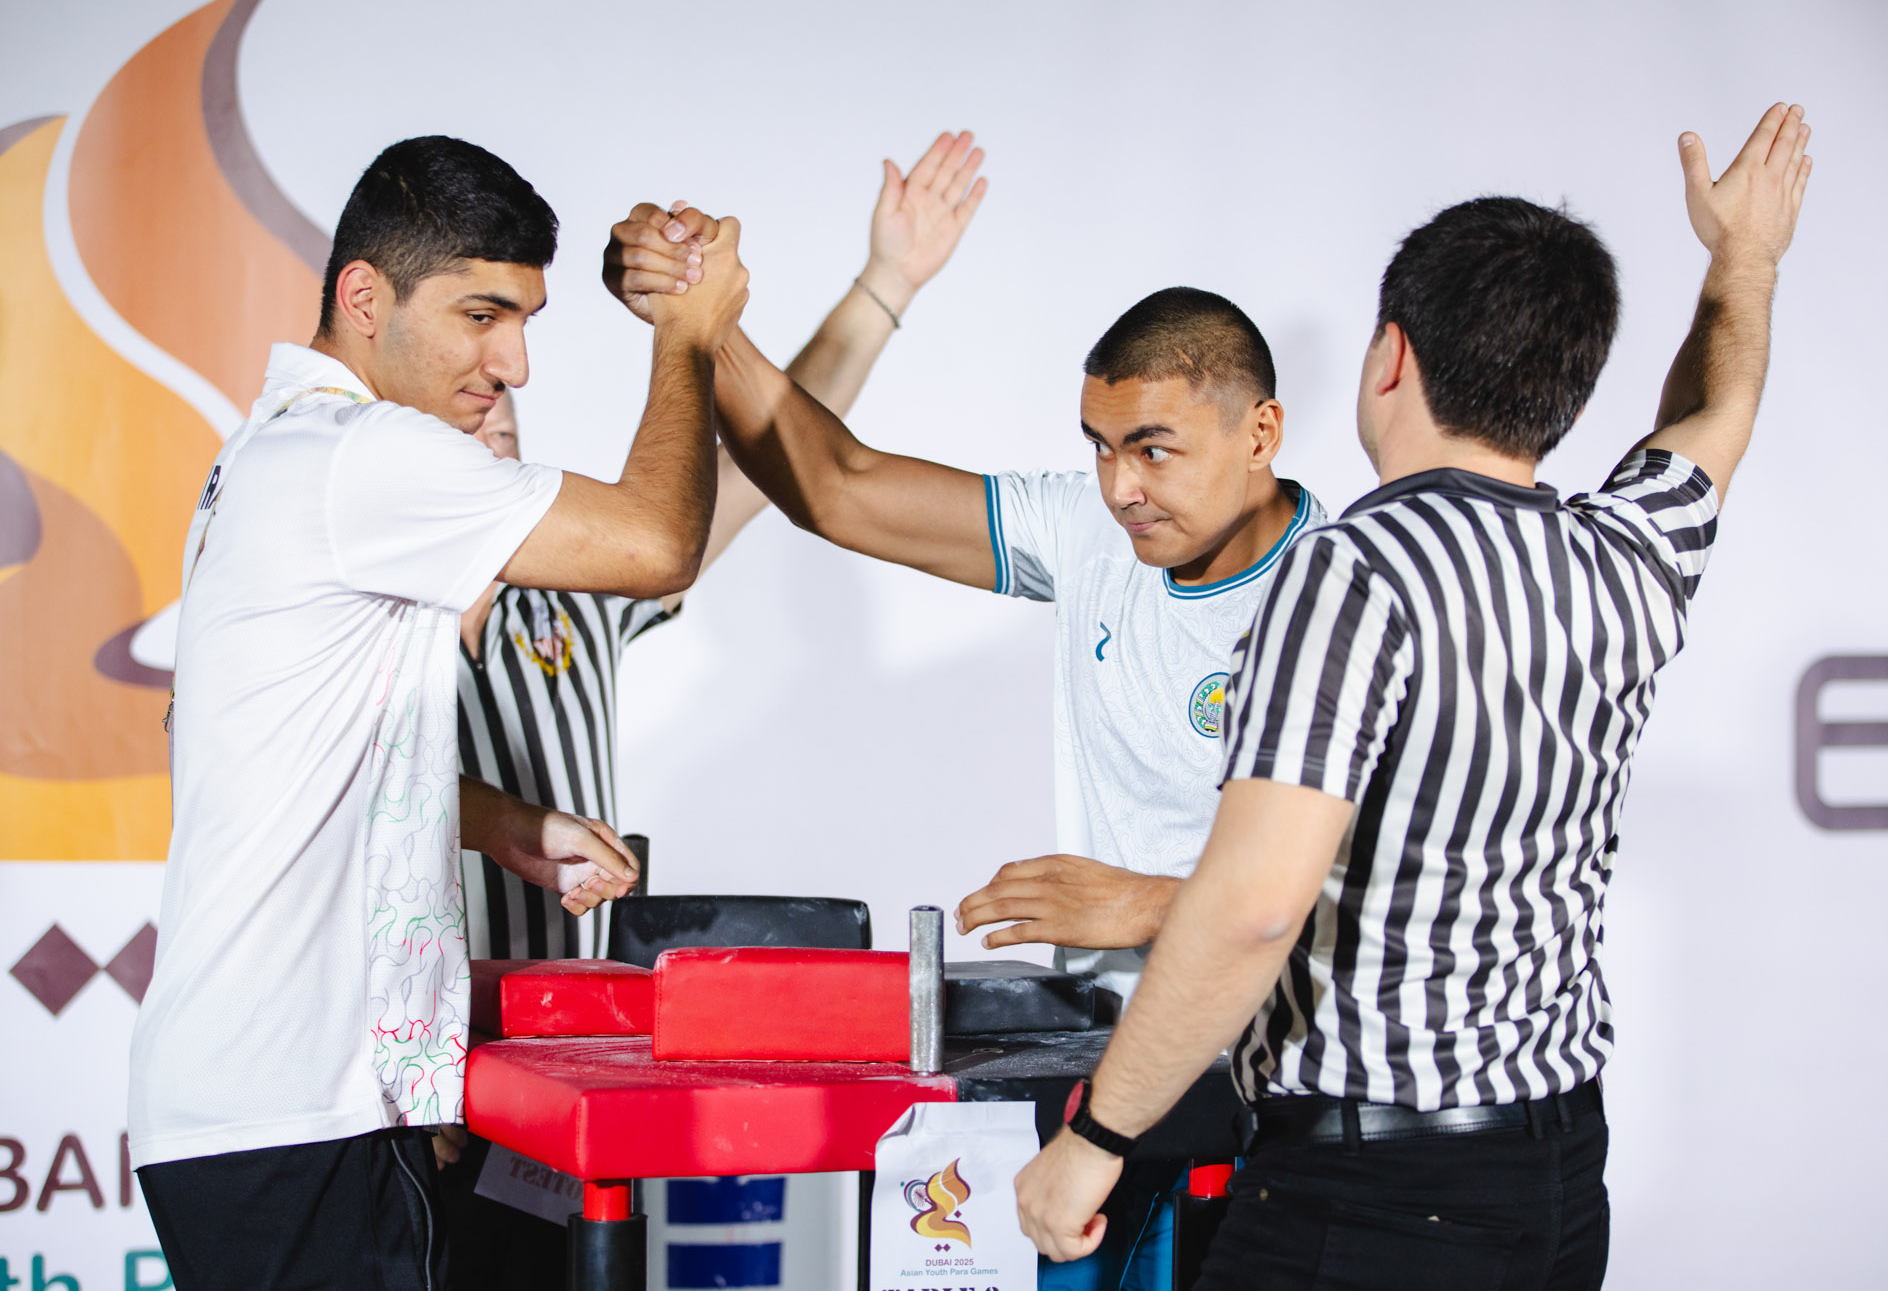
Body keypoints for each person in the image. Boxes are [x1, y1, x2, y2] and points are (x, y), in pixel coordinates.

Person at [1012, 104, 1814, 1290]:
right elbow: (1715, 421)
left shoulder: (1353, 568)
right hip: (1556, 1182)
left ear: (1389, 356)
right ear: (1568, 389)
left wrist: (1095, 1138)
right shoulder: (1625, 559)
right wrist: (1743, 259)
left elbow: (1251, 908)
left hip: (1370, 1200)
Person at [607, 221, 1336, 1287]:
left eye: (1153, 448)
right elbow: (838, 485)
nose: (1120, 484)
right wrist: (704, 317)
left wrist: (1142, 903)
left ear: (1261, 431)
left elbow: (1389, 900)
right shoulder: (1095, 538)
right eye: (1098, 444)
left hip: (1278, 1103)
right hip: (1106, 1078)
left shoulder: (1348, 598)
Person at [128, 134, 746, 1291]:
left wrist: (506, 826)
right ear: (365, 297)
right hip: (294, 1111)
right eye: (479, 315)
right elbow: (660, 542)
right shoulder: (356, 454)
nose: (512, 362)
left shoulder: (272, 456)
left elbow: (293, 748)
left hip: (267, 1107)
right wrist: (688, 332)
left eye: (524, 319)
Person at [435, 131, 990, 1291]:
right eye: (466, 386)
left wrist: (882, 286)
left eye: (504, 390)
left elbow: (764, 471)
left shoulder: (575, 589)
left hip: (564, 1090)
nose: (495, 395)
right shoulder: (359, 608)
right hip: (413, 1082)